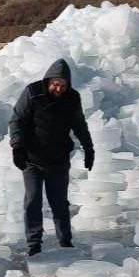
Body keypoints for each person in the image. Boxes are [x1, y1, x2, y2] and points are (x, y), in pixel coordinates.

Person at [9, 59, 94, 256]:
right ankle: (34, 245)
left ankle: (65, 242)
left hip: (58, 160)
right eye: (55, 84)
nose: (58, 88)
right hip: (32, 159)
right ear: (48, 81)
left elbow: (79, 125)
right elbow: (17, 120)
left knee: (59, 203)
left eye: (63, 85)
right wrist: (17, 148)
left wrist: (89, 149)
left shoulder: (72, 98)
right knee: (33, 202)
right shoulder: (32, 92)